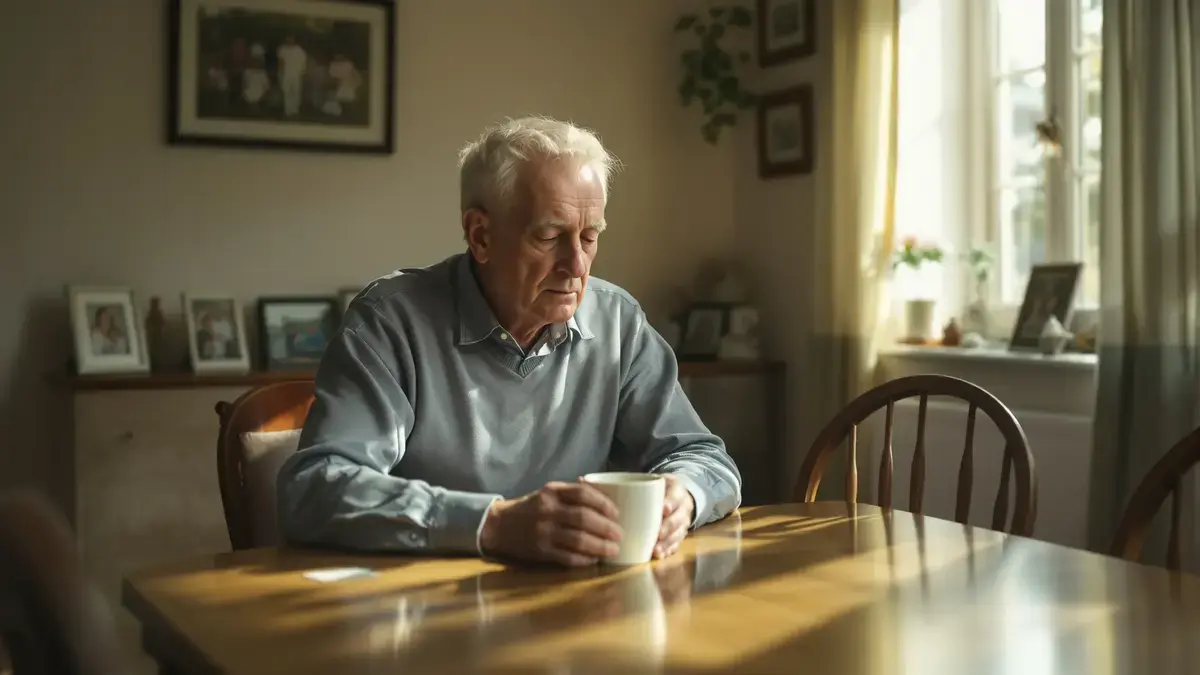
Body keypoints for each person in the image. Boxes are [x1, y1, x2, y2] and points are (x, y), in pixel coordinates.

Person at [277, 116, 741, 566]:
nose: (577, 266)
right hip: (427, 604)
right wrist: (493, 524)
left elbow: (705, 458)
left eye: (589, 237)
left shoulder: (618, 322)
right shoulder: (392, 322)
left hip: (583, 600)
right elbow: (315, 488)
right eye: (550, 236)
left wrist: (684, 495)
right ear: (480, 235)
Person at [276, 36, 307, 116]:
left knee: (296, 92)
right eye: (288, 38)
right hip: (286, 73)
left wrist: (303, 73)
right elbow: (280, 62)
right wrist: (280, 73)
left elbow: (303, 63)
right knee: (287, 92)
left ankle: (295, 110)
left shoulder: (299, 50)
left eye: (291, 38)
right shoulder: (282, 49)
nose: (290, 40)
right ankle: (288, 111)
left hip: (297, 74)